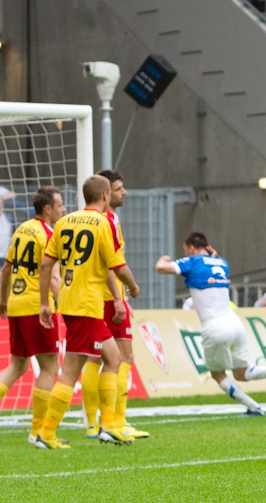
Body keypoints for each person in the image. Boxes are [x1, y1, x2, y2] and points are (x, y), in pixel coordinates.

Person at [36, 175, 140, 449]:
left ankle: (107, 426)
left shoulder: (64, 221)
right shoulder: (104, 223)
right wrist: (133, 286)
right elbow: (117, 266)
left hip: (71, 302)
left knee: (113, 356)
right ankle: (46, 434)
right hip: (87, 305)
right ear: (105, 195)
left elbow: (47, 265)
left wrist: (45, 302)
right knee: (70, 371)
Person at [0, 186, 66, 445]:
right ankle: (37, 432)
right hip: (38, 306)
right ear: (48, 209)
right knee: (49, 367)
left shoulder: (21, 229)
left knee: (17, 364)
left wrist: (3, 299)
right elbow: (52, 276)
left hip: (17, 305)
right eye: (60, 205)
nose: (63, 209)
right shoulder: (48, 234)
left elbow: (6, 266)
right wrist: (63, 305)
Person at [156, 233, 266, 414]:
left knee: (217, 374)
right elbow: (212, 264)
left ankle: (254, 407)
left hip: (214, 326)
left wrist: (165, 258)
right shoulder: (223, 263)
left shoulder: (192, 262)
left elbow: (161, 268)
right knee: (241, 372)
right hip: (235, 323)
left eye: (185, 250)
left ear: (190, 247)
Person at [81, 170, 149, 441]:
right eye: (119, 189)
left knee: (94, 358)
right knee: (123, 358)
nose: (124, 193)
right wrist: (122, 296)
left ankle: (90, 423)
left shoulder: (83, 219)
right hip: (109, 298)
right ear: (105, 193)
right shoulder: (106, 219)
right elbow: (111, 264)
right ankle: (117, 421)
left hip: (92, 297)